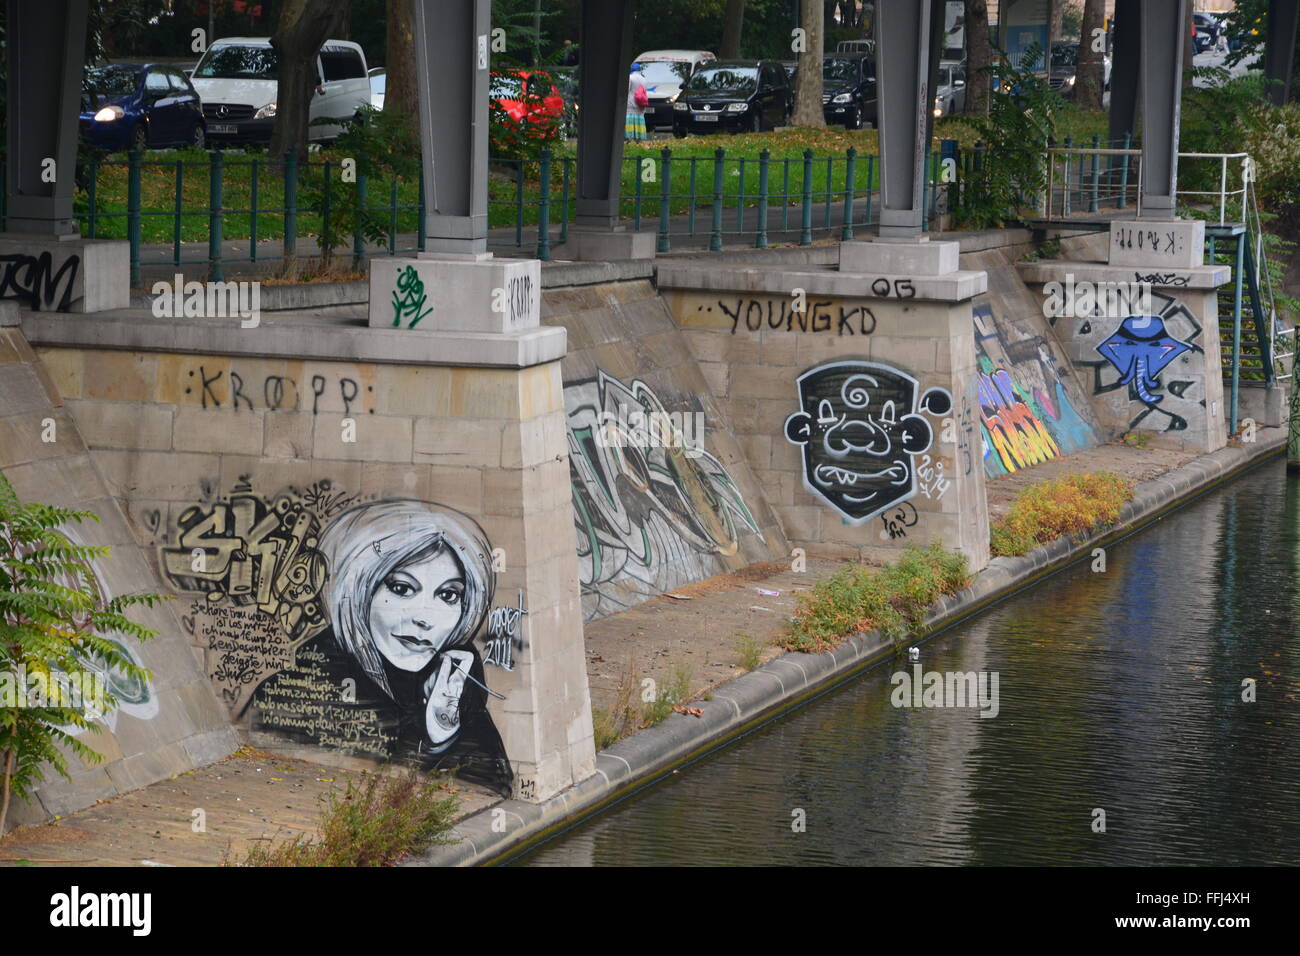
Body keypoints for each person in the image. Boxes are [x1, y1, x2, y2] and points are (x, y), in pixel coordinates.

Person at [249, 499, 512, 795]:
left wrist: (445, 731)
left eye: (449, 595)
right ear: (356, 591)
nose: (425, 618)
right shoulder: (296, 694)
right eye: (401, 589)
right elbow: (364, 805)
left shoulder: (452, 686)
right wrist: (430, 742)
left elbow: (495, 794)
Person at [626, 62, 649, 141]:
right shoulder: (644, 79)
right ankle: (639, 139)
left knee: (630, 123)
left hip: (631, 105)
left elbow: (627, 91)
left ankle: (630, 138)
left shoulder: (630, 77)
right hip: (640, 105)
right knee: (639, 122)